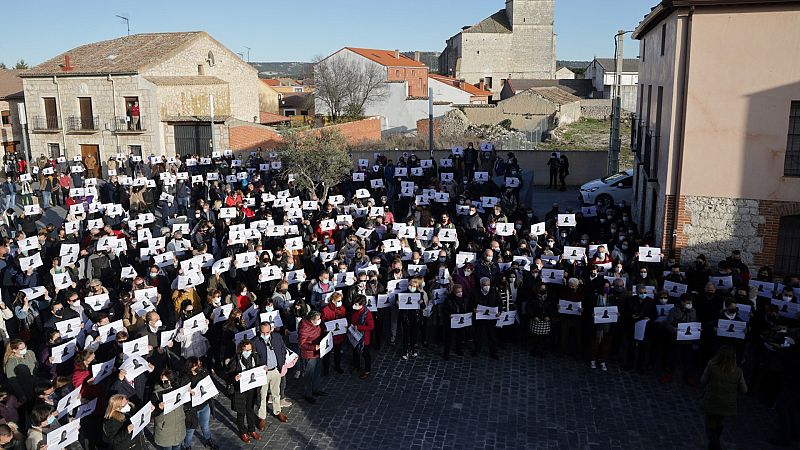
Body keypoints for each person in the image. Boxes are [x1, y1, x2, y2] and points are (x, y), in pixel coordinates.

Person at [701, 346, 748, 450]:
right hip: (727, 403)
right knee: (719, 422)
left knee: (710, 424)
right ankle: (714, 444)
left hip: (712, 401)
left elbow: (703, 380)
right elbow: (744, 389)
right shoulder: (738, 371)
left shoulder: (711, 366)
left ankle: (715, 445)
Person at [252, 321, 288, 428]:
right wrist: (261, 366)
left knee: (276, 392)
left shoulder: (276, 337)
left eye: (267, 332)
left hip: (276, 370)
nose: (264, 334)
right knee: (262, 395)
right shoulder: (255, 341)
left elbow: (283, 349)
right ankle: (262, 417)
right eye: (262, 332)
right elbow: (254, 357)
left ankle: (277, 411)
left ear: (271, 330)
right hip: (263, 373)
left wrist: (281, 361)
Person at [227, 340, 261, 443]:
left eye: (249, 349)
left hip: (251, 389)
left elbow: (259, 368)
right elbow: (229, 376)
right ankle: (243, 432)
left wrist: (263, 369)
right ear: (241, 350)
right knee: (241, 412)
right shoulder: (235, 360)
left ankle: (252, 430)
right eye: (245, 349)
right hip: (240, 390)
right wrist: (234, 378)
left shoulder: (255, 357)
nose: (247, 351)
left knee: (250, 410)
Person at [298, 311, 325, 404]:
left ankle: (315, 389)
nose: (319, 321)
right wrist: (314, 347)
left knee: (317, 372)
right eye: (317, 319)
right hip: (309, 354)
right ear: (311, 319)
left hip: (318, 352)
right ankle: (308, 394)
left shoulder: (315, 325)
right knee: (309, 375)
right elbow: (302, 344)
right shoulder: (304, 328)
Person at [350, 295, 374, 378]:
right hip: (355, 335)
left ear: (361, 305)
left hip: (364, 338)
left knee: (365, 354)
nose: (354, 306)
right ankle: (357, 366)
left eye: (356, 304)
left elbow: (371, 327)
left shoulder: (367, 313)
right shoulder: (355, 311)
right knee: (355, 352)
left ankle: (367, 370)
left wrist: (359, 327)